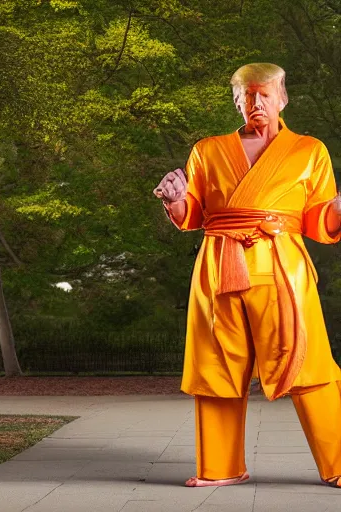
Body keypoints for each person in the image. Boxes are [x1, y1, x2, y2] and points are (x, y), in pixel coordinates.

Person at [154, 62, 341, 488]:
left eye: (264, 95)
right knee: (216, 366)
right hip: (219, 267)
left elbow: (319, 221)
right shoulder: (207, 149)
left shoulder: (310, 150)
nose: (256, 103)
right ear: (236, 101)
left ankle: (339, 463)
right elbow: (194, 215)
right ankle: (220, 468)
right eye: (246, 96)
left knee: (310, 365)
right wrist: (176, 200)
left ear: (283, 98)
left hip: (282, 267)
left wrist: (339, 208)